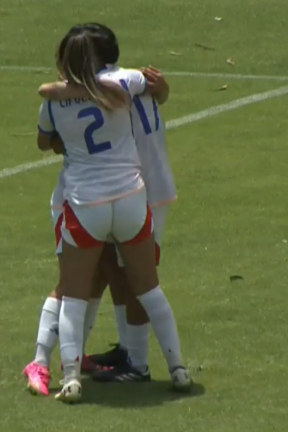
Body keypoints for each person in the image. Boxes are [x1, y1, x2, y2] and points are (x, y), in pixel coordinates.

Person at [33, 23, 190, 404]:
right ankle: (172, 366)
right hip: (140, 190)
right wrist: (163, 89)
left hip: (104, 196)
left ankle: (94, 367)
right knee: (136, 280)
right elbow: (153, 93)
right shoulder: (132, 80)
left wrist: (58, 93)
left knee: (91, 285)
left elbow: (45, 132)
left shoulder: (60, 96)